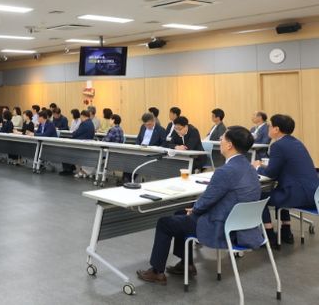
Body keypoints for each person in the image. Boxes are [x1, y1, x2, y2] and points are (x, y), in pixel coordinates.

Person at [136, 126, 262, 285]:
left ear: (230, 145)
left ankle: (156, 272)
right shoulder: (249, 167)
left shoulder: (226, 171)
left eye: (223, 138)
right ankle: (186, 264)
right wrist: (194, 209)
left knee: (164, 223)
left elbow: (207, 199)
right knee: (181, 213)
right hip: (241, 225)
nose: (220, 140)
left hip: (221, 227)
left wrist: (195, 210)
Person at [254, 114, 319, 246]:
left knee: (259, 196)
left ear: (276, 129)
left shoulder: (278, 146)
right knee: (279, 189)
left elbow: (271, 174)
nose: (268, 129)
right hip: (313, 194)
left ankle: (270, 236)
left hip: (297, 195)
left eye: (270, 126)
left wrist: (257, 167)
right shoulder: (297, 142)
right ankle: (286, 232)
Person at [72, 110, 95, 178]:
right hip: (87, 144)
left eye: (81, 117)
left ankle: (80, 171)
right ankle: (83, 171)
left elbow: (76, 133)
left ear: (83, 116)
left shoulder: (84, 123)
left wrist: (73, 133)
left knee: (74, 156)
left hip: (80, 144)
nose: (80, 119)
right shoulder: (91, 123)